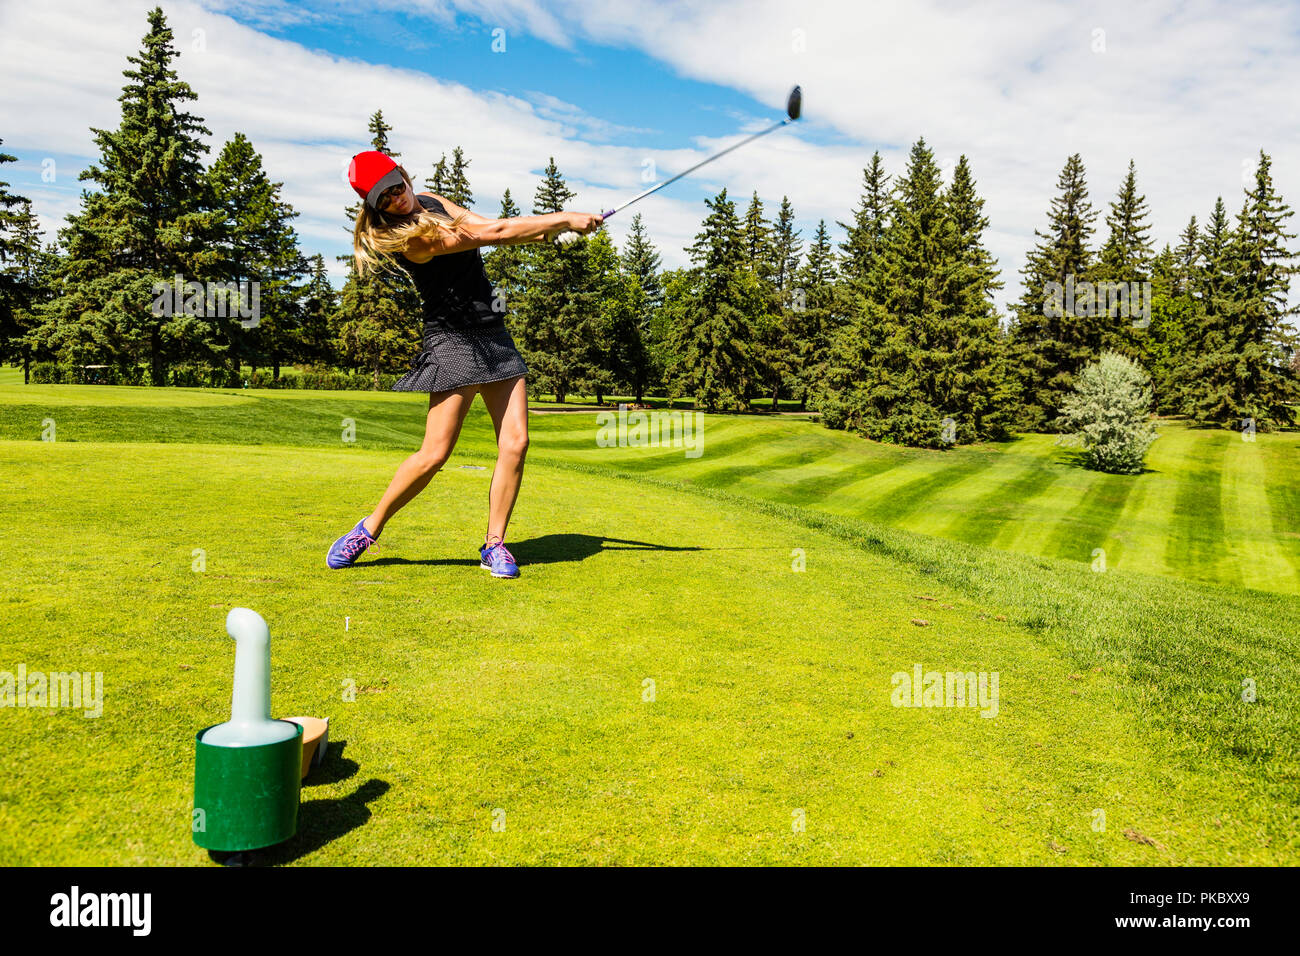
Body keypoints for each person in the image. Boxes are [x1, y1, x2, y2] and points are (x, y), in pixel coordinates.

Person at [326, 150, 603, 578]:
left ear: (402, 172)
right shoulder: (409, 238)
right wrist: (564, 218)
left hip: (492, 332)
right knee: (435, 453)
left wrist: (545, 236)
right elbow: (492, 233)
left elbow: (483, 225)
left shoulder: (433, 200)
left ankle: (495, 545)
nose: (398, 200)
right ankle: (369, 527)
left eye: (398, 187)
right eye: (385, 200)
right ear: (374, 207)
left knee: (516, 443)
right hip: (452, 338)